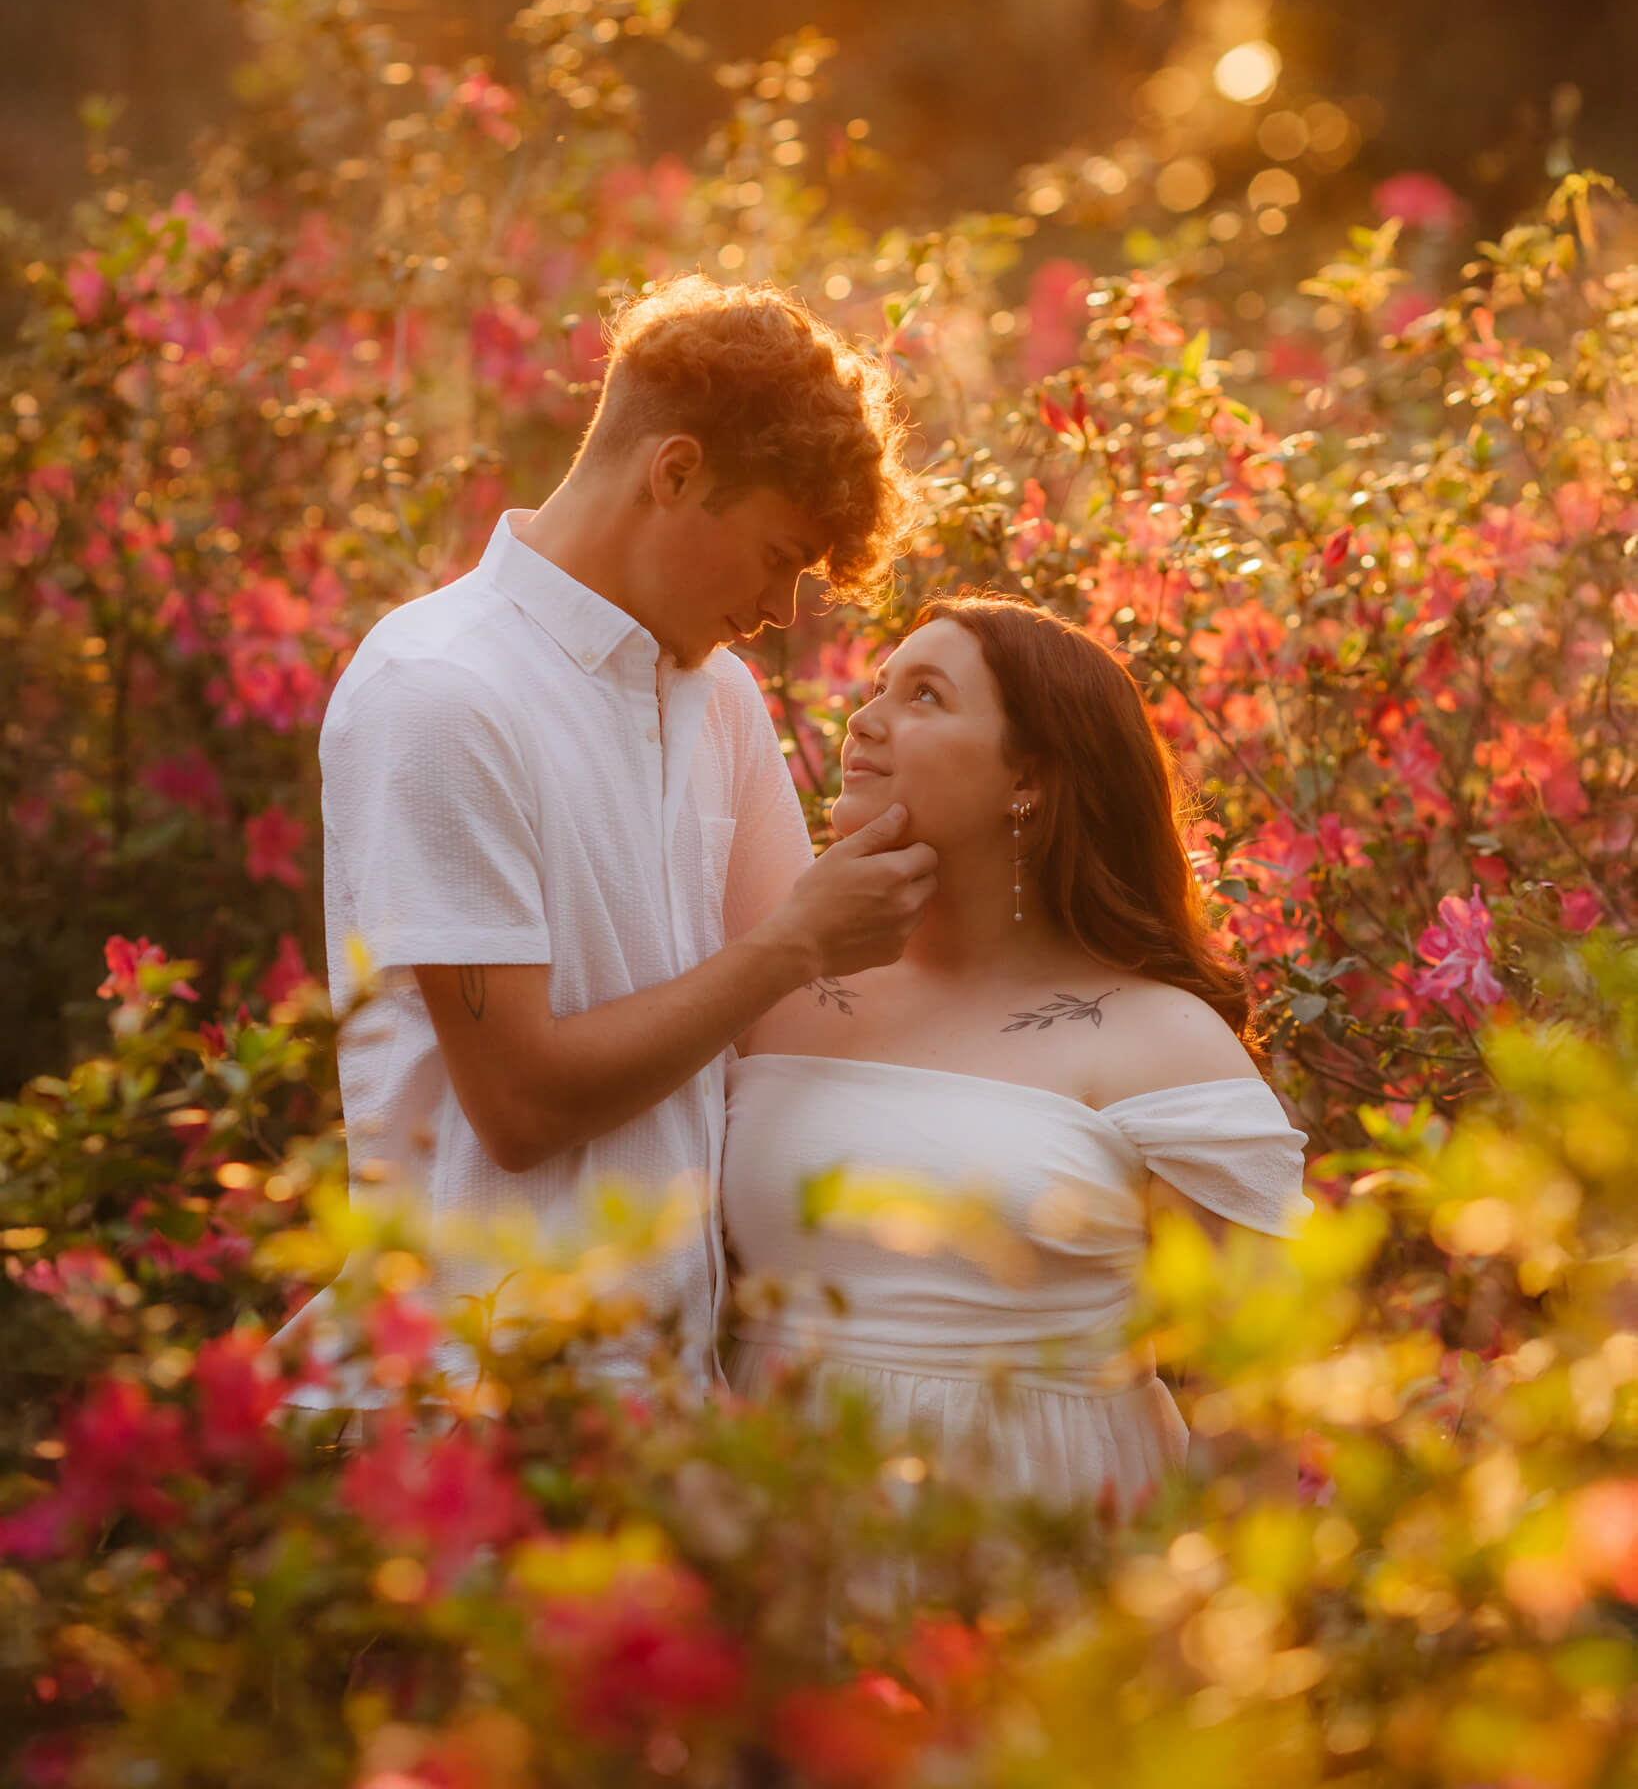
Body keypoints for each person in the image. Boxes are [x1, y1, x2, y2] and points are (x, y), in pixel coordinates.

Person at [273, 272, 936, 1418]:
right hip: (475, 1406)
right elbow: (522, 1106)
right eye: (779, 553)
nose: (784, 608)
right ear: (674, 472)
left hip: (674, 1396)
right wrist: (793, 945)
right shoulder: (442, 691)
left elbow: (807, 1014)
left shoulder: (715, 690)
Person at [721, 594, 1312, 1514]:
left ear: (1028, 776)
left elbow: (1260, 1407)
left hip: (1049, 1559)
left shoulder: (1163, 1041)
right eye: (876, 687)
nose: (863, 720)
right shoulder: (780, 989)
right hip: (780, 1543)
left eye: (924, 695)